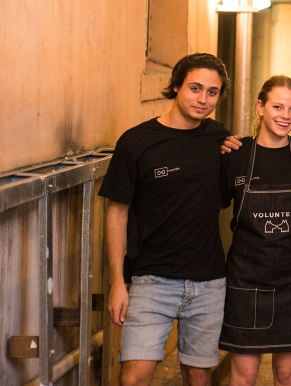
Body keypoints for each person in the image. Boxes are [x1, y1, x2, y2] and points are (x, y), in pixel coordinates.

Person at [99, 53, 230, 386]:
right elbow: (117, 212)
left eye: (212, 92)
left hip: (208, 282)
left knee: (198, 377)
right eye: (195, 88)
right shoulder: (136, 142)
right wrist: (117, 282)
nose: (203, 99)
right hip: (151, 281)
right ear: (176, 86)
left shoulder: (218, 138)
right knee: (133, 378)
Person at [218, 76, 291, 386]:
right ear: (260, 107)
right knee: (244, 375)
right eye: (277, 107)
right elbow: (209, 211)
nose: (285, 116)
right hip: (247, 281)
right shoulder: (235, 154)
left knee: (287, 375)